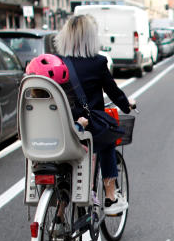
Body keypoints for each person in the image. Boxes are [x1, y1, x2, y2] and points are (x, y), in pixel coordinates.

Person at [55, 15, 135, 214]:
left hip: (63, 125)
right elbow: (113, 92)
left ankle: (60, 211)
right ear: (91, 38)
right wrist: (127, 105)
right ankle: (110, 197)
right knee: (109, 136)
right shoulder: (97, 63)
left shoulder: (57, 63)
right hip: (88, 125)